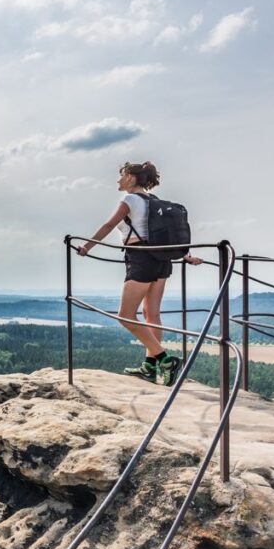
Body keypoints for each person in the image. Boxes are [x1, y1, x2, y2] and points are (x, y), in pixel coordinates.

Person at [77, 161, 203, 386]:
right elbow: (166, 234)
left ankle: (164, 360)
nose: (118, 180)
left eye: (122, 175)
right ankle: (150, 366)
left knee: (125, 315)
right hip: (161, 259)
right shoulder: (155, 202)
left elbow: (108, 225)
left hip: (141, 258)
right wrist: (186, 255)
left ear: (132, 178)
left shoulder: (129, 200)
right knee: (151, 313)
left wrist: (87, 247)